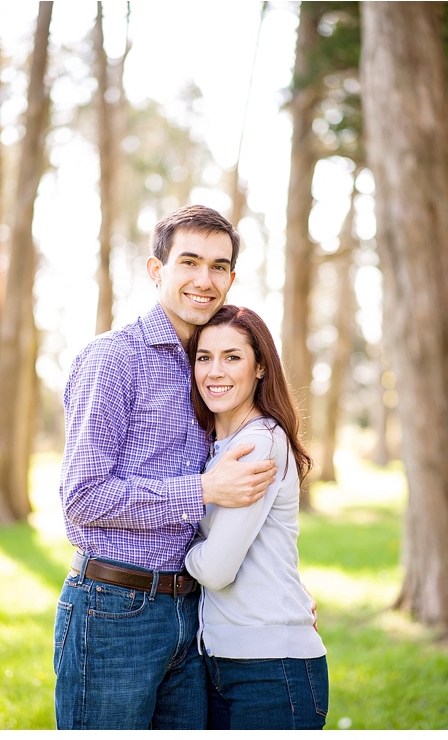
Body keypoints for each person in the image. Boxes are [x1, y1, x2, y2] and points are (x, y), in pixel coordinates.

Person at [54, 205, 279, 730]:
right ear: (157, 270)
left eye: (219, 266)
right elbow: (83, 497)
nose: (205, 280)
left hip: (194, 611)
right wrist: (202, 489)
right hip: (114, 610)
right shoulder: (113, 360)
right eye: (190, 262)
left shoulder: (211, 366)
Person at [184, 305, 328, 730]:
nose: (215, 371)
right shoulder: (218, 446)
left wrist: (179, 549)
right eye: (204, 357)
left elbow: (216, 569)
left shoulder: (258, 444)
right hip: (225, 661)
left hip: (270, 668)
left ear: (261, 367)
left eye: (233, 357)